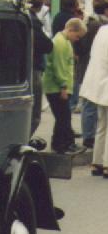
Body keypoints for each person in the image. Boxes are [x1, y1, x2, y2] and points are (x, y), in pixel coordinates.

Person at [43, 18, 87, 155]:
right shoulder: (61, 43)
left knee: (62, 117)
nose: (77, 39)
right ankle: (65, 145)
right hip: (57, 87)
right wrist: (63, 86)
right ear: (71, 30)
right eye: (77, 36)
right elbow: (59, 67)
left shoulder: (63, 41)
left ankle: (59, 143)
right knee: (64, 117)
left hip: (57, 86)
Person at [73, 0, 108, 149]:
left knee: (90, 105)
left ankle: (89, 137)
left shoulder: (90, 23)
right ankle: (89, 136)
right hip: (96, 71)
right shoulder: (100, 26)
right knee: (92, 107)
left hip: (88, 68)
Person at [80, 23, 108, 178]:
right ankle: (107, 165)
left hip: (97, 84)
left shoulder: (102, 30)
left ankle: (97, 162)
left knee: (101, 125)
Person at [28, 0, 54, 135]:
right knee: (34, 114)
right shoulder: (33, 21)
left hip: (20, 67)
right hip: (33, 66)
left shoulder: (26, 17)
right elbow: (47, 45)